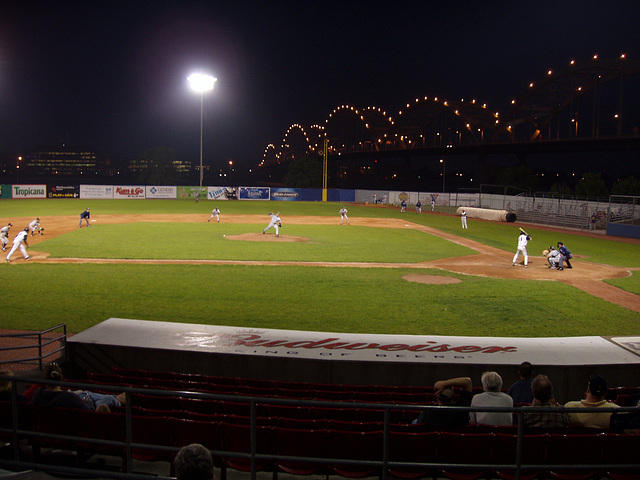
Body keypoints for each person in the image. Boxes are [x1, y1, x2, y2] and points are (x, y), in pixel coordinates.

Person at [32, 363, 125, 412]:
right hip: (89, 405)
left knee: (88, 393)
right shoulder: (70, 398)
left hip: (71, 397)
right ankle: (116, 398)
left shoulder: (38, 394)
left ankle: (115, 398)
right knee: (98, 397)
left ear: (45, 379)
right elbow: (88, 413)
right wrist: (88, 401)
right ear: (61, 378)